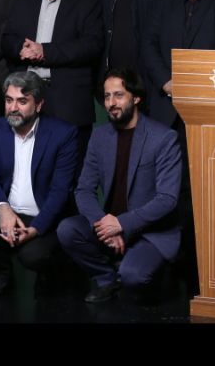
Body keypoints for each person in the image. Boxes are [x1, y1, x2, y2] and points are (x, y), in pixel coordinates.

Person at [57, 68, 181, 302]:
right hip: (109, 224)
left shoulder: (164, 138)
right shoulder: (100, 136)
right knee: (67, 230)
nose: (111, 103)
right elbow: (84, 190)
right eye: (107, 96)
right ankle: (107, 278)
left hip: (149, 232)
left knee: (134, 277)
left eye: (118, 95)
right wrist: (104, 224)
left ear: (136, 98)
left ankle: (142, 267)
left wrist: (121, 224)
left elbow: (167, 199)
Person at [0, 71, 79, 297]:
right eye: (9, 100)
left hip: (45, 216)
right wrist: (4, 209)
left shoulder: (63, 134)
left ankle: (50, 274)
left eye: (22, 101)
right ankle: (1, 274)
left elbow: (60, 191)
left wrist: (35, 229)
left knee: (32, 256)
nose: (13, 108)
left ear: (38, 105)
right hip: (10, 213)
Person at [1, 0, 104, 151]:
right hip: (26, 98)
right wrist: (21, 48)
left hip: (69, 101)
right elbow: (6, 39)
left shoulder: (87, 1)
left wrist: (45, 51)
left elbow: (92, 45)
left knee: (71, 164)